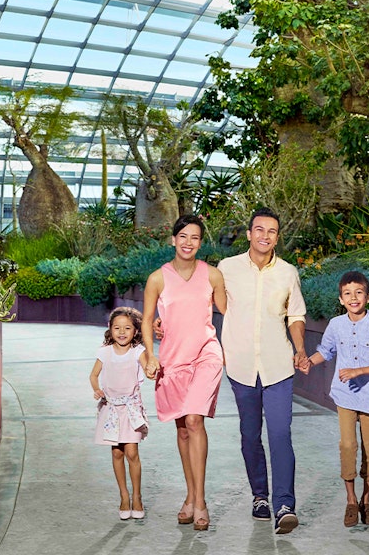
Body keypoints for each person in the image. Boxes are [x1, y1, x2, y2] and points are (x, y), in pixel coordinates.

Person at [217, 207, 308, 535]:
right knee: (250, 434)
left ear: (277, 237)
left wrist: (299, 349)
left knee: (280, 433)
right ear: (249, 234)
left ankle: (285, 504)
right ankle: (260, 496)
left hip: (278, 365)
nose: (265, 236)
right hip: (240, 365)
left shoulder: (287, 273)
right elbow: (207, 303)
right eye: (259, 229)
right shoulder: (227, 269)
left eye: (271, 231)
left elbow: (295, 316)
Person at [141, 214, 226, 531]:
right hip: (173, 359)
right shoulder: (157, 279)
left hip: (207, 353)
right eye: (184, 236)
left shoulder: (213, 275)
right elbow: (148, 320)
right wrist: (150, 355)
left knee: (194, 419)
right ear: (173, 240)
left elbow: (229, 313)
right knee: (181, 428)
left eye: (195, 238)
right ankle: (189, 497)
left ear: (200, 243)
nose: (189, 242)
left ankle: (200, 501)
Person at [298, 271, 369, 527]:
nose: (354, 298)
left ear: (368, 297)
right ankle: (351, 500)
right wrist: (309, 361)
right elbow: (326, 351)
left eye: (359, 293)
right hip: (344, 397)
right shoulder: (336, 324)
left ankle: (366, 499)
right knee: (348, 447)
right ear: (341, 299)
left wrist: (360, 371)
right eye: (347, 294)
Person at [91, 306, 151, 520]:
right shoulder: (104, 352)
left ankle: (137, 497)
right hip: (110, 408)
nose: (122, 332)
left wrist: (153, 369)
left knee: (132, 452)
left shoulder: (138, 352)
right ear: (110, 329)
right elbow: (94, 375)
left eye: (127, 328)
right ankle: (124, 496)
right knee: (117, 452)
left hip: (131, 409)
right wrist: (96, 388)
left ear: (135, 331)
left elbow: (147, 368)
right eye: (117, 327)